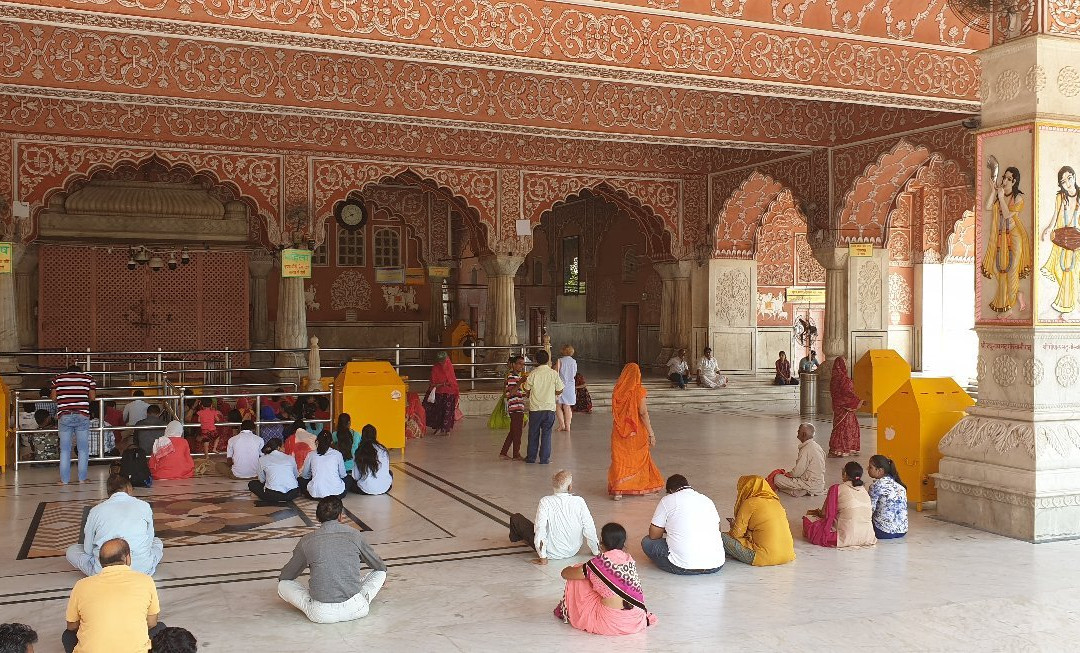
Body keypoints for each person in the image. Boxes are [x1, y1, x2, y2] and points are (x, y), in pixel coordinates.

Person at [278, 496, 387, 624]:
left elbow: (286, 576)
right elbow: (379, 566)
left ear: (317, 518)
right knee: (381, 574)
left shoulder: (306, 541)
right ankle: (360, 594)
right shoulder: (355, 535)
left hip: (322, 614)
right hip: (357, 609)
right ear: (340, 516)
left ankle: (318, 597)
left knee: (283, 585)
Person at [63, 538, 165, 653]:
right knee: (160, 628)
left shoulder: (81, 585)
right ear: (127, 558)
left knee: (67, 636)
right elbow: (152, 624)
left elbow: (71, 627)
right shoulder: (146, 581)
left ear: (100, 561)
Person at [554, 523, 657, 636]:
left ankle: (568, 610)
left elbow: (565, 574)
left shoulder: (598, 564)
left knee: (579, 571)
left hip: (611, 623)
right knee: (590, 574)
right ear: (623, 544)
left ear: (602, 543)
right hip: (636, 619)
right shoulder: (629, 560)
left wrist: (571, 568)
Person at [66, 474, 163, 577]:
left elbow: (88, 549)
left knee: (72, 551)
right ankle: (142, 565)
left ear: (108, 492)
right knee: (157, 542)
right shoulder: (144, 506)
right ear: (129, 488)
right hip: (142, 570)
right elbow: (150, 540)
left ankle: (100, 573)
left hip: (103, 571)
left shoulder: (96, 511)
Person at [508, 470, 599, 565]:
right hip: (573, 551)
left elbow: (540, 529)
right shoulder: (579, 501)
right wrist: (596, 551)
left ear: (553, 486)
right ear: (570, 487)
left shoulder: (545, 501)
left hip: (551, 552)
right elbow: (589, 528)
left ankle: (517, 539)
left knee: (516, 518)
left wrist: (543, 557)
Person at [640, 474, 724, 575]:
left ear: (670, 491)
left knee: (647, 542)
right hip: (716, 565)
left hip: (682, 566)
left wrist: (667, 529)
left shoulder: (668, 500)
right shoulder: (707, 500)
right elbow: (717, 529)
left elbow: (654, 535)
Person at [607, 363, 663, 499]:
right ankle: (638, 485)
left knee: (620, 459)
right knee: (638, 459)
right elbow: (643, 412)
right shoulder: (639, 391)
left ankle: (619, 491)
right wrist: (651, 433)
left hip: (620, 431)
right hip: (636, 431)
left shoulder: (617, 390)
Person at [983, 165, 1032, 314]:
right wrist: (993, 192)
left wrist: (1000, 196)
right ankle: (1017, 295)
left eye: (1008, 178)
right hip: (1001, 238)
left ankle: (1009, 307)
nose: (1004, 180)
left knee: (1011, 270)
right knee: (997, 269)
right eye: (1004, 177)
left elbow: (1006, 213)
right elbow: (987, 206)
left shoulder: (1018, 198)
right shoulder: (1001, 194)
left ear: (1014, 181)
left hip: (1015, 237)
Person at [721, 475, 795, 567]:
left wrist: (733, 526)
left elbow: (736, 535)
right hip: (788, 555)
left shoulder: (750, 502)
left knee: (720, 537)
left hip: (763, 557)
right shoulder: (777, 503)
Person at [803, 461, 877, 548]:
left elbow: (826, 514)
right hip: (867, 536)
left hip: (845, 537)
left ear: (845, 474)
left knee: (808, 520)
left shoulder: (836, 488)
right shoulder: (864, 490)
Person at [1041, 165, 1080, 318]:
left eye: (1069, 178)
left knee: (1071, 272)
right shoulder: (1060, 197)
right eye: (1063, 182)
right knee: (1062, 269)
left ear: (1074, 177)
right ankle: (1068, 305)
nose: (1068, 183)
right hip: (1063, 239)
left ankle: (1067, 306)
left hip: (1077, 240)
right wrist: (1048, 229)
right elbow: (1055, 215)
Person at [50, 365, 97, 485]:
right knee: (83, 449)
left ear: (67, 372)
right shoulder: (88, 378)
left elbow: (53, 397)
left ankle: (64, 480)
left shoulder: (58, 379)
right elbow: (92, 397)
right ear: (80, 372)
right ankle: (82, 478)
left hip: (64, 416)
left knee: (65, 449)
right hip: (82, 415)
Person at [522, 349, 564, 464]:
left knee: (533, 434)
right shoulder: (553, 373)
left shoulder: (533, 374)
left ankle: (531, 458)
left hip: (535, 409)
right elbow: (560, 389)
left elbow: (526, 389)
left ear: (536, 360)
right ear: (548, 360)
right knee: (547, 435)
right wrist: (552, 394)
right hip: (549, 408)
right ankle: (544, 459)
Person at [769, 423, 827, 497]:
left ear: (803, 434)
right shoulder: (817, 446)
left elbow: (797, 472)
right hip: (820, 484)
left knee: (777, 479)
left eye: (798, 431)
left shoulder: (806, 449)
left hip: (809, 484)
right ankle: (801, 490)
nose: (797, 432)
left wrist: (788, 474)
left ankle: (801, 491)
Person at [828, 357, 864, 457]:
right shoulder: (843, 379)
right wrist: (859, 401)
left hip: (837, 407)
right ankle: (847, 448)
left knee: (838, 427)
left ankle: (836, 449)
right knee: (847, 426)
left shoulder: (834, 379)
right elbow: (848, 393)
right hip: (845, 407)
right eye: (845, 363)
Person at [867, 454, 909, 540]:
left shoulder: (876, 486)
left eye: (870, 467)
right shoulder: (900, 486)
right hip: (902, 531)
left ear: (880, 471)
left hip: (882, 532)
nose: (867, 469)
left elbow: (869, 509)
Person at [249, 438, 300, 503]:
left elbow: (261, 480)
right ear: (278, 448)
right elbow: (295, 475)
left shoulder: (262, 459)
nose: (284, 448)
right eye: (283, 446)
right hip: (293, 493)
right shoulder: (290, 458)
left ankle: (262, 496)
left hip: (273, 495)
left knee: (252, 484)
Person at [346, 425, 393, 495]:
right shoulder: (383, 450)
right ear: (375, 435)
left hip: (365, 489)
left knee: (349, 480)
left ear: (363, 436)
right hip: (385, 488)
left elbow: (355, 476)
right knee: (390, 473)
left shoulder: (360, 451)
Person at [299, 431, 347, 499]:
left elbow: (305, 475)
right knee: (349, 479)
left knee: (300, 480)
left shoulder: (311, 454)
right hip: (336, 494)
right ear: (331, 442)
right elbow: (343, 475)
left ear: (317, 441)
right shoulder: (337, 454)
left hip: (315, 494)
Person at [499, 355, 527, 460]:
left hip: (518, 406)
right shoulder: (511, 377)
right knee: (517, 432)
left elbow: (518, 392)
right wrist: (520, 382)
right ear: (514, 365)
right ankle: (516, 454)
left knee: (513, 431)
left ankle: (503, 452)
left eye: (523, 364)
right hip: (515, 408)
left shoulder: (517, 377)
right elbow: (510, 393)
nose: (521, 366)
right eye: (519, 363)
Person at [425, 351, 460, 435]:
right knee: (438, 410)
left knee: (447, 411)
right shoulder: (435, 368)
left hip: (449, 392)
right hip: (439, 392)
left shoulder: (449, 366)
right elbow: (433, 382)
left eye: (443, 361)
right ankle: (439, 427)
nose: (443, 363)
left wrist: (446, 385)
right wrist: (443, 384)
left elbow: (452, 380)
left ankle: (446, 429)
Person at [554, 345, 578, 433]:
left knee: (558, 405)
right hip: (570, 385)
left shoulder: (560, 361)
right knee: (567, 406)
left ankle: (561, 424)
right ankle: (568, 425)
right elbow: (574, 373)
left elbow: (555, 373)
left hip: (561, 385)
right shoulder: (574, 361)